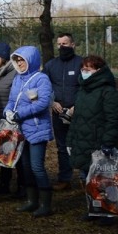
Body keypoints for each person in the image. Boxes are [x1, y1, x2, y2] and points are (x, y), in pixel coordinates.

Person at [67, 54, 118, 226]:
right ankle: (94, 208)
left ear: (98, 71)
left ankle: (108, 212)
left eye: (88, 69)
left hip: (99, 142)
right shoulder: (83, 90)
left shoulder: (108, 91)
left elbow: (113, 119)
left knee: (105, 179)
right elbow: (76, 118)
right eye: (82, 69)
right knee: (87, 177)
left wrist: (108, 142)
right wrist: (70, 139)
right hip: (83, 141)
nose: (84, 72)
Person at [4, 46, 54, 218]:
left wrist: (20, 114)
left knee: (37, 167)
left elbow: (42, 103)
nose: (20, 63)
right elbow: (12, 100)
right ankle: (31, 201)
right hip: (20, 130)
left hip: (37, 128)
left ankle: (45, 204)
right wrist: (8, 112)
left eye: (22, 60)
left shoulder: (41, 79)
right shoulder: (18, 78)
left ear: (30, 60)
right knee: (25, 167)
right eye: (17, 60)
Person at [42, 32, 82, 191]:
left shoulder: (82, 63)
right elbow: (44, 86)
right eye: (59, 44)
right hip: (58, 113)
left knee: (82, 145)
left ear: (73, 45)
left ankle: (86, 178)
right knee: (62, 147)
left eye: (64, 44)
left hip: (78, 112)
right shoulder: (51, 65)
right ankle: (64, 178)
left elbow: (85, 87)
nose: (61, 47)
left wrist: (77, 105)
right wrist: (52, 102)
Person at [0, 41, 21, 196]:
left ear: (4, 58)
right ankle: (4, 184)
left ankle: (22, 186)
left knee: (16, 155)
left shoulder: (15, 75)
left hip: (11, 123)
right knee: (3, 154)